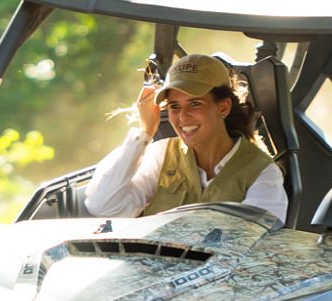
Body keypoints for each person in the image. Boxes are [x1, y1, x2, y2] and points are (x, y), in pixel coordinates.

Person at [85, 53, 288, 222]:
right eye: (174, 106)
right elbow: (103, 206)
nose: (182, 117)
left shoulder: (262, 172)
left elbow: (253, 242)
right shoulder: (162, 154)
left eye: (195, 104)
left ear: (223, 107)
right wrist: (145, 132)